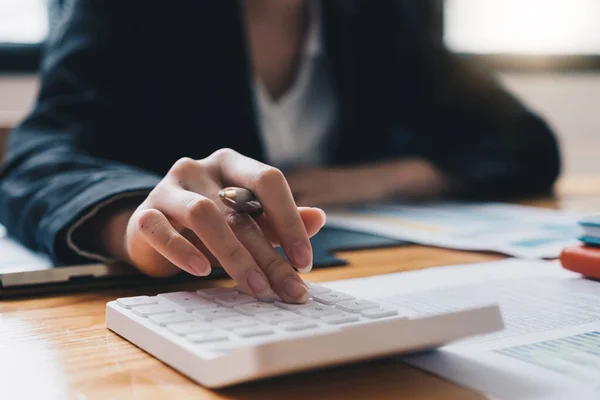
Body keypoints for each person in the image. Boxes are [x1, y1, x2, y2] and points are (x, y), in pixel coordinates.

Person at [0, 0, 560, 303]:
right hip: (196, 293)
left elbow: (525, 142)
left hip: (361, 275)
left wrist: (368, 179)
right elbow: (36, 158)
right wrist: (138, 225)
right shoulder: (125, 12)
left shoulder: (385, 15)